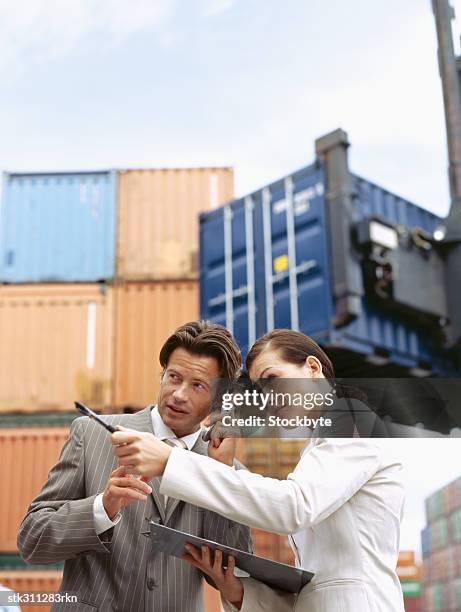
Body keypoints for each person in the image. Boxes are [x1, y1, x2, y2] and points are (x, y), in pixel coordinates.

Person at [112, 329, 406, 612]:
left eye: (272, 379)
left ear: (313, 368)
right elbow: (320, 589)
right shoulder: (318, 447)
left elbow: (293, 506)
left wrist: (171, 461)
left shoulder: (352, 417)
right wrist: (237, 592)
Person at [17, 321, 252, 612]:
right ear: (161, 375)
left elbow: (234, 575)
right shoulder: (91, 434)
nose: (179, 394)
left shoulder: (229, 471)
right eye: (174, 377)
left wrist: (220, 474)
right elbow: (32, 541)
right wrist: (102, 508)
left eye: (197, 386)